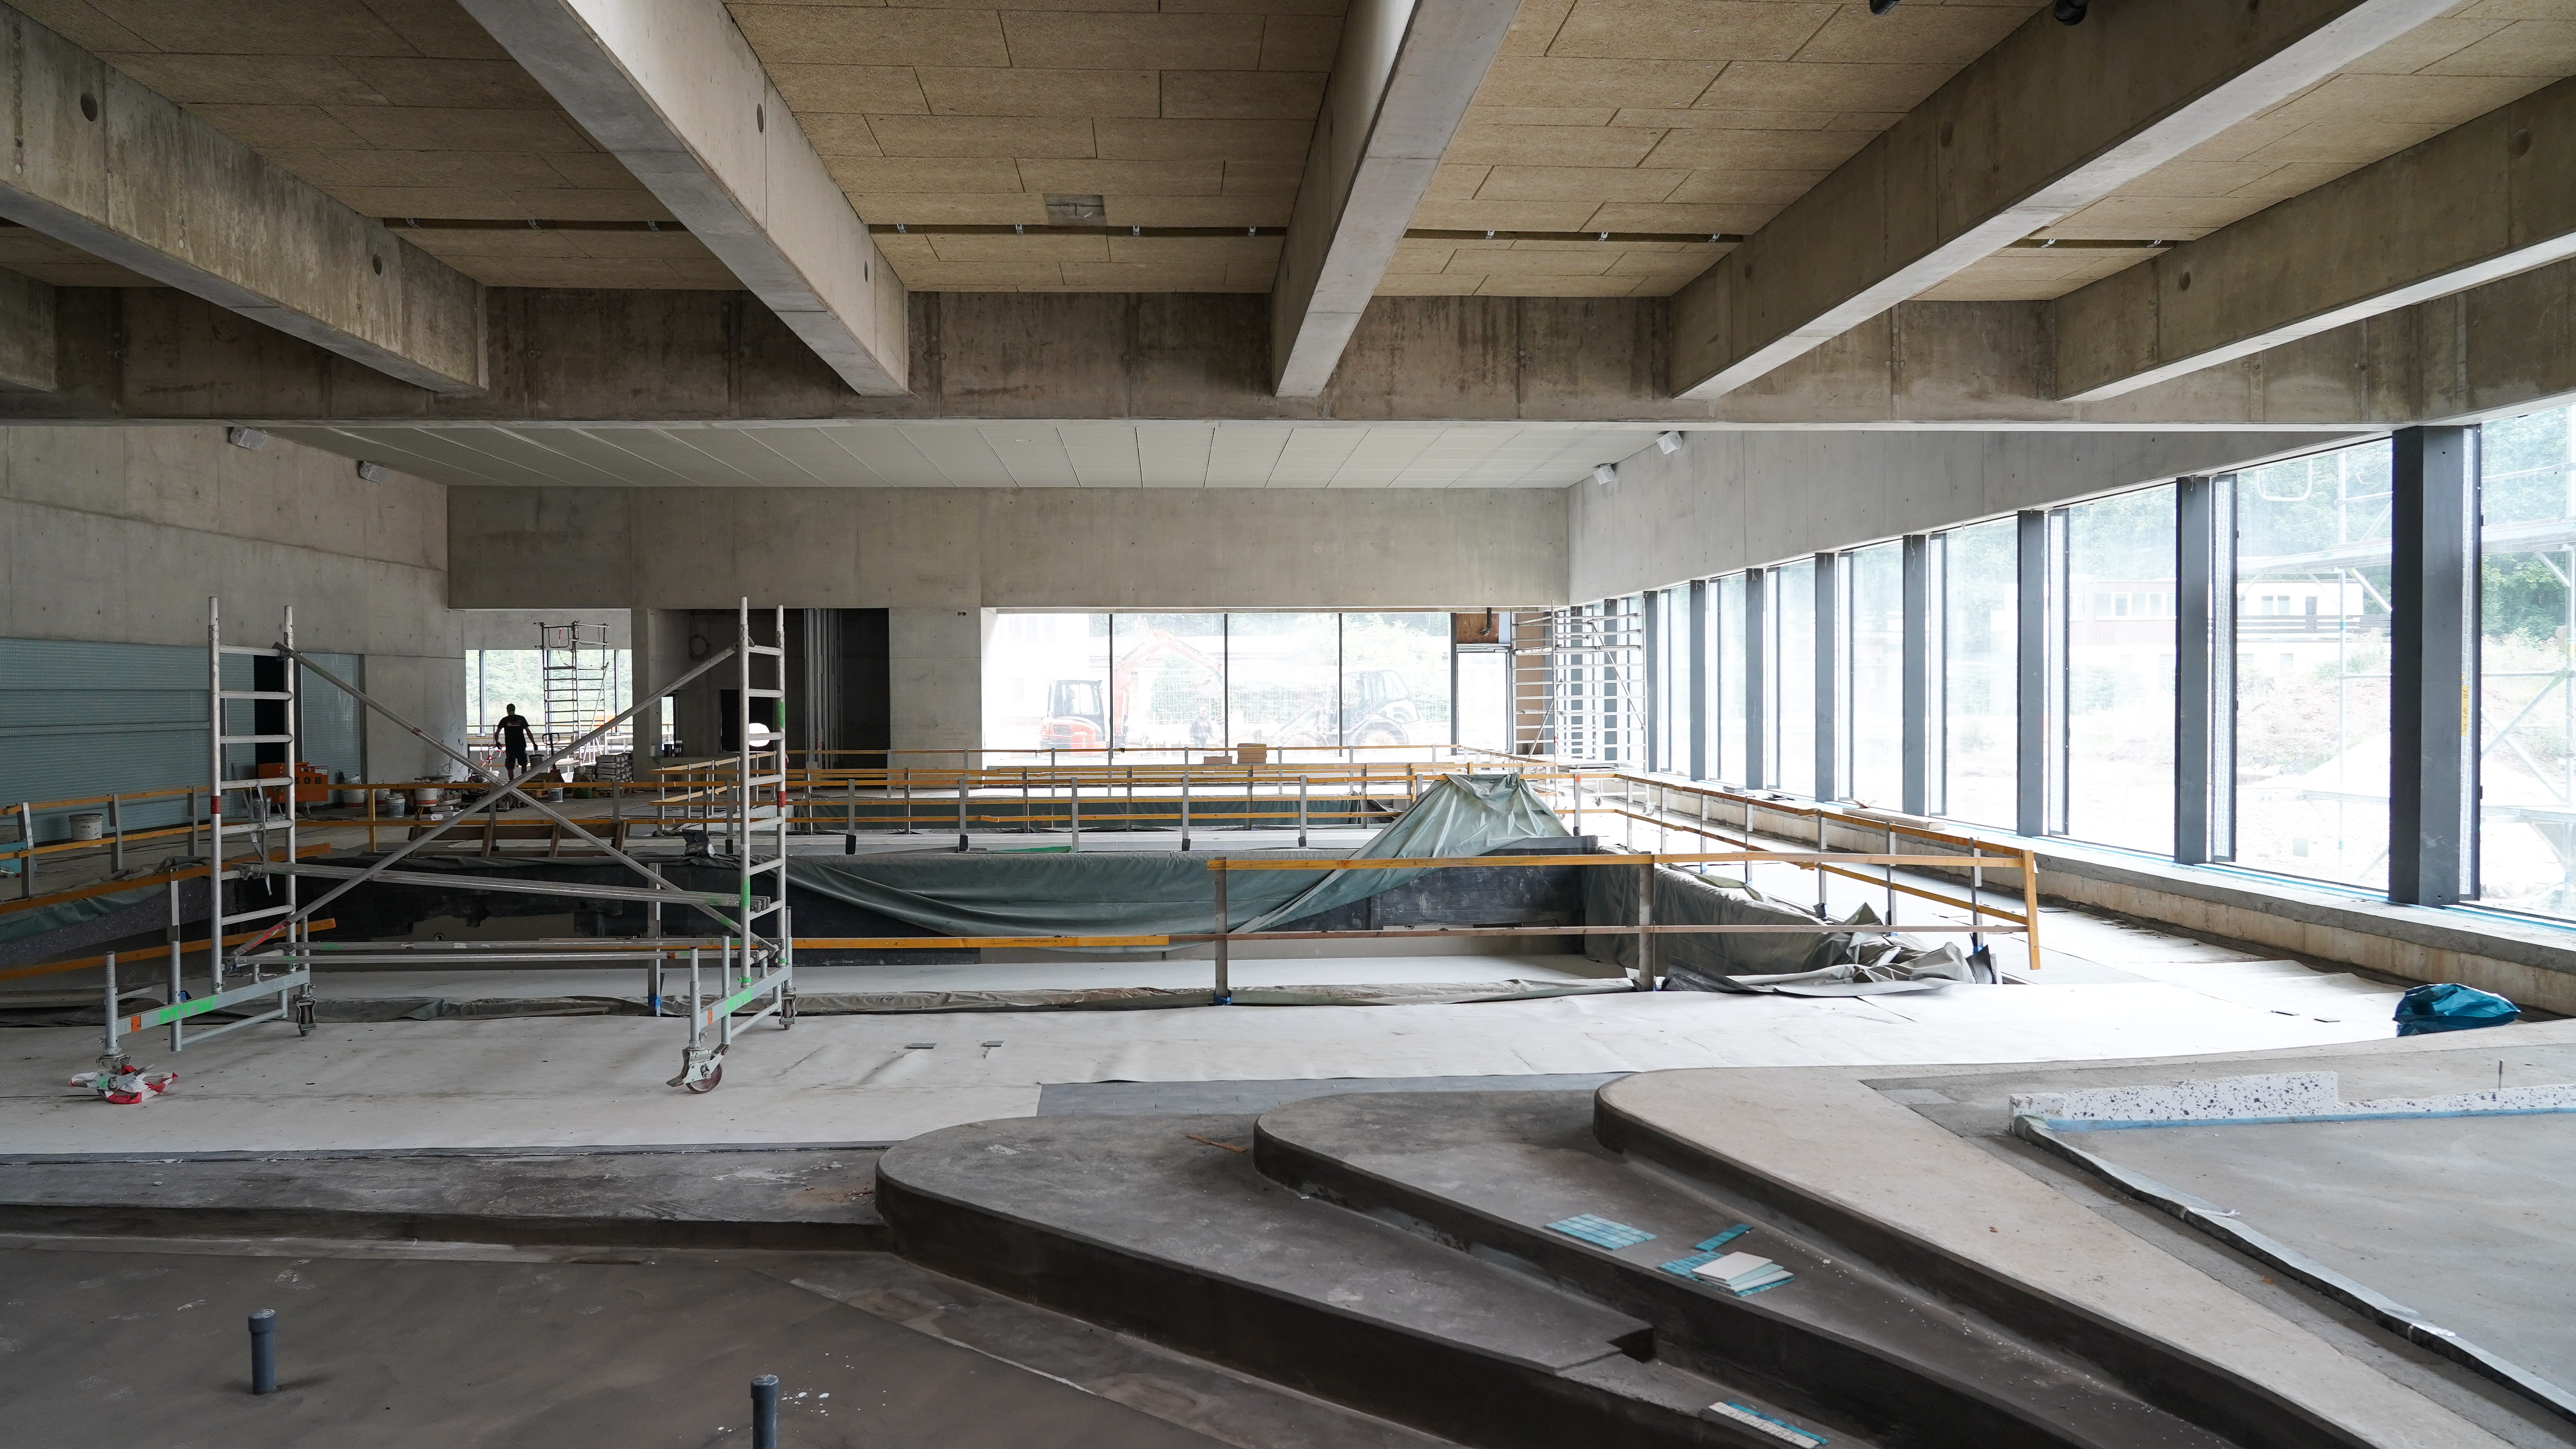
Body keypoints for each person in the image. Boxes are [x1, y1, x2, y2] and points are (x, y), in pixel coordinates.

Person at [497, 703, 534, 777]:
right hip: (521, 746)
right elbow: (528, 732)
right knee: (524, 765)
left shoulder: (505, 720)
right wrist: (534, 743)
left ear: (507, 710)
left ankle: (511, 784)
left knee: (510, 767)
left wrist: (497, 742)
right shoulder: (521, 719)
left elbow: (497, 733)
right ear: (514, 710)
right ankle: (523, 782)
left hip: (510, 747)